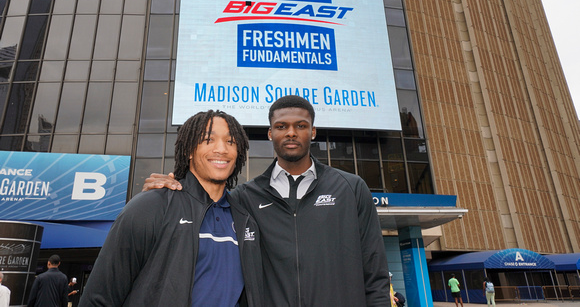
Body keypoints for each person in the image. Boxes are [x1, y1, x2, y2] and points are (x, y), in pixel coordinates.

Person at [145, 95, 391, 306]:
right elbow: (205, 206)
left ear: (313, 132)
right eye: (282, 126)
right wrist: (172, 187)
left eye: (301, 126)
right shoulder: (244, 197)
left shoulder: (351, 188)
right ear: (271, 133)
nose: (291, 132)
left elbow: (375, 272)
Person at [79, 110, 263, 306]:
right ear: (188, 151)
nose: (222, 149)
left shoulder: (246, 219)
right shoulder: (151, 205)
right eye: (208, 140)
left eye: (230, 141)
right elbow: (99, 298)